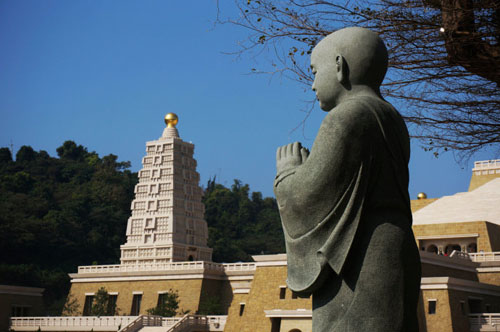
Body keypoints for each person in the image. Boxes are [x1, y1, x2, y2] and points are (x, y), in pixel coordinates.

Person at [274, 27, 421, 332]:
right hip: (397, 244)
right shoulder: (392, 118)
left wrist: (288, 173)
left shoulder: (346, 117)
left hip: (362, 254)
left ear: (339, 66)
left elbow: (306, 197)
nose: (313, 84)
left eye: (315, 72)